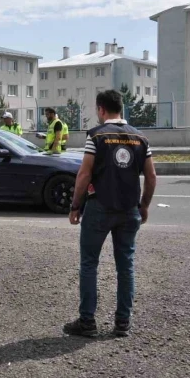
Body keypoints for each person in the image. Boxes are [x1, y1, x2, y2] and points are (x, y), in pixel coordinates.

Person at [64, 90, 157, 338]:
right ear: (121, 108)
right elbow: (151, 176)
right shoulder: (141, 138)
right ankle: (123, 322)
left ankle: (87, 322)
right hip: (129, 209)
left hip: (99, 207)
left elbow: (84, 174)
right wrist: (144, 205)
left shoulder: (96, 136)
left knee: (89, 263)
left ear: (101, 109)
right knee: (125, 266)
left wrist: (75, 206)